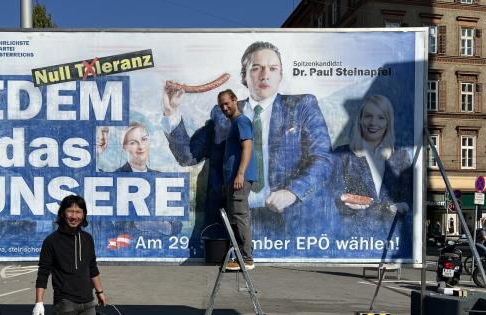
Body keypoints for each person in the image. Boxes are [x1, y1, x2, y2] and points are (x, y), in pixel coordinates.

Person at [162, 41, 334, 236]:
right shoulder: (222, 115)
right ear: (244, 76)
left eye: (272, 68)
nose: (264, 74)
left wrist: (292, 192)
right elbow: (187, 156)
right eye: (256, 68)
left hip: (289, 219)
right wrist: (171, 111)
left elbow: (323, 159)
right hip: (236, 216)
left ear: (280, 75)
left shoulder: (302, 106)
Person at [333, 95, 412, 251]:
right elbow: (330, 194)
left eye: (381, 117)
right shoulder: (342, 155)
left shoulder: (401, 157)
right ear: (360, 120)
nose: (373, 123)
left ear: (388, 122)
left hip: (390, 241)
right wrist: (342, 203)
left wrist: (404, 206)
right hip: (351, 242)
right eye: (368, 116)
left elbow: (409, 198)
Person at [218, 89, 256, 271]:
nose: (225, 107)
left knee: (240, 217)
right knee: (235, 217)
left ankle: (247, 260)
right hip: (233, 181)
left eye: (227, 103)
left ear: (235, 101)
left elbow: (247, 147)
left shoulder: (241, 121)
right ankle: (240, 258)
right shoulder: (234, 124)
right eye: (221, 105)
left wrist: (240, 173)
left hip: (241, 179)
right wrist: (228, 181)